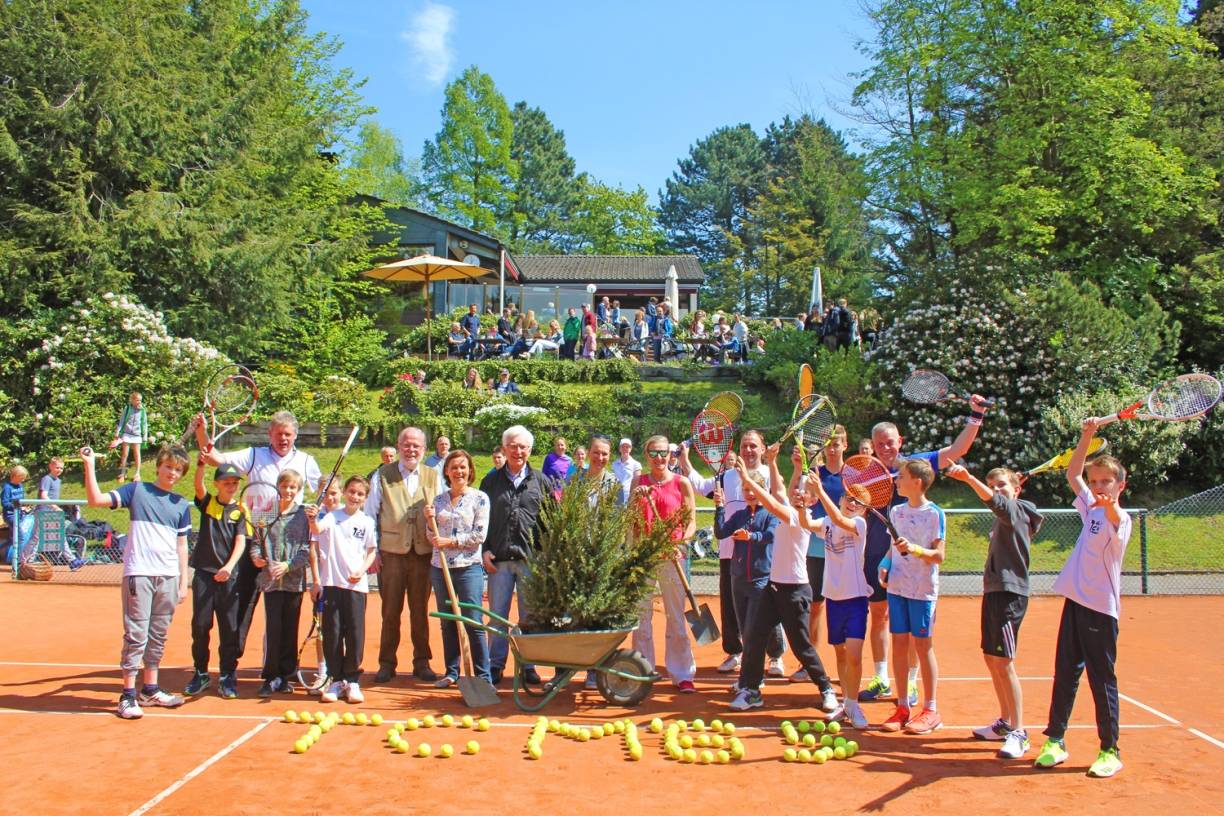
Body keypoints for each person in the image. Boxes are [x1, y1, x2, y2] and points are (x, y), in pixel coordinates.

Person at [858, 399, 990, 708]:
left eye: (890, 442)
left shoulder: (915, 466)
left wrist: (976, 416)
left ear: (900, 441)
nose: (885, 447)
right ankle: (881, 678)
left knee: (914, 631)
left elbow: (956, 452)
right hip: (877, 554)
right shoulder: (867, 472)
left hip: (914, 562)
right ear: (873, 447)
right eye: (879, 444)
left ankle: (913, 683)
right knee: (878, 616)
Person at [1033, 419, 1132, 778]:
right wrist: (1087, 434)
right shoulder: (1090, 508)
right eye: (1095, 481)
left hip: (1100, 611)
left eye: (1107, 481)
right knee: (1064, 674)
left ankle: (1110, 750)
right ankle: (1055, 741)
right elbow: (1073, 471)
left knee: (1101, 679)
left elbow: (1116, 515)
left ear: (1122, 485)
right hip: (1075, 603)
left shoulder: (1120, 519)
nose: (1099, 486)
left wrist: (1109, 505)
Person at [79, 444, 191, 720]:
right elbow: (96, 500)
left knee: (158, 635)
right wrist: (90, 465)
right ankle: (128, 695)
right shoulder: (137, 491)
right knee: (136, 634)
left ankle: (150, 689)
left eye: (178, 470)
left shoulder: (180, 504)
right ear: (159, 466)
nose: (172, 473)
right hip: (139, 572)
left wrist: (182, 581)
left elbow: (182, 546)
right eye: (168, 467)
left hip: (168, 576)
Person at [201, 410, 322, 664]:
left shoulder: (307, 460)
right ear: (270, 434)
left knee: (283, 612)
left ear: (295, 435)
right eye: (278, 434)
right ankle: (230, 667)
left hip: (287, 546)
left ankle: (279, 669)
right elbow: (216, 459)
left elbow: (322, 488)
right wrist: (202, 431)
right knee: (242, 605)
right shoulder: (254, 454)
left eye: (288, 434)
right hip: (254, 538)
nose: (283, 439)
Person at [946, 461, 1043, 759]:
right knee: (991, 658)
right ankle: (1004, 722)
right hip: (994, 592)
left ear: (1016, 489)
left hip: (1010, 594)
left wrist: (969, 478)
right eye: (995, 484)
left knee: (1004, 662)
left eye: (1003, 485)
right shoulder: (1005, 515)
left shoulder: (1017, 511)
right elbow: (997, 502)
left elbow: (997, 501)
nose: (998, 489)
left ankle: (1019, 731)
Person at [730, 447, 838, 713]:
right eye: (796, 490)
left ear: (812, 500)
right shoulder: (789, 508)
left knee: (802, 646)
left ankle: (825, 688)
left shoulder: (798, 518)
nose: (797, 493)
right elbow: (780, 492)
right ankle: (751, 690)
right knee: (754, 637)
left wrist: (748, 479)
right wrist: (774, 462)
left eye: (803, 492)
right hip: (773, 588)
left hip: (795, 592)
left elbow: (773, 501)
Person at [680, 430, 784, 677]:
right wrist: (685, 461)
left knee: (767, 605)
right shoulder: (726, 477)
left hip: (763, 553)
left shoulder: (770, 475)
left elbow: (781, 501)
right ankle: (735, 652)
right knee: (731, 606)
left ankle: (775, 656)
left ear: (762, 448)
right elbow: (698, 486)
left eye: (753, 446)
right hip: (731, 552)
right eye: (745, 446)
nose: (748, 451)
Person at [365, 426, 440, 684]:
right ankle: (387, 663)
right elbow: (369, 515)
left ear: (424, 449)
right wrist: (372, 552)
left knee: (419, 611)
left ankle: (422, 662)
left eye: (416, 446)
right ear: (398, 447)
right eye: (406, 445)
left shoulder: (433, 475)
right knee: (390, 611)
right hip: (392, 554)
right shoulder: (382, 475)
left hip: (422, 554)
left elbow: (439, 514)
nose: (411, 450)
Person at [877, 459, 946, 735]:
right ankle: (903, 707)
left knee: (923, 647)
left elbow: (939, 556)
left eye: (901, 476)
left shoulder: (935, 514)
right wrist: (884, 563)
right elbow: (892, 549)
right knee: (899, 645)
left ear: (917, 481)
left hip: (922, 591)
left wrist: (915, 549)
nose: (896, 480)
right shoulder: (897, 512)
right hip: (897, 588)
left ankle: (930, 709)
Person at [480, 425, 550, 686]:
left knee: (528, 617)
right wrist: (484, 549)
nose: (518, 451)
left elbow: (549, 521)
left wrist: (544, 556)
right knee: (498, 614)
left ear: (529, 450)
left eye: (523, 447)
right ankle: (495, 665)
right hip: (498, 560)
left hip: (530, 560)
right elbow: (482, 518)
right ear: (505, 448)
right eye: (513, 446)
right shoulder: (490, 481)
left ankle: (527, 665)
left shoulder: (541, 481)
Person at [631, 435, 698, 693]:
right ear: (646, 455)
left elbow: (691, 521)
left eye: (664, 453)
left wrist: (680, 540)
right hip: (646, 556)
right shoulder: (640, 482)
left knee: (676, 617)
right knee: (641, 617)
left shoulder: (682, 483)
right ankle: (643, 670)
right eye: (654, 453)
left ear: (671, 456)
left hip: (672, 557)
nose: (659, 458)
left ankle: (682, 673)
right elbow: (631, 520)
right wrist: (638, 499)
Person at [804, 474, 872, 729]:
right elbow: (807, 524)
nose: (852, 503)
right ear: (841, 499)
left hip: (855, 599)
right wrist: (801, 507)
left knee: (854, 655)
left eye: (858, 502)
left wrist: (820, 491)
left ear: (864, 510)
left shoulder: (859, 525)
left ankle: (854, 706)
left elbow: (839, 519)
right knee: (841, 654)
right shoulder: (828, 523)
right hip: (833, 598)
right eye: (848, 498)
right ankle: (847, 704)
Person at [423, 450, 492, 689]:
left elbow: (479, 535)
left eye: (462, 467)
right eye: (454, 467)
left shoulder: (480, 498)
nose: (458, 471)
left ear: (470, 470)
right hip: (440, 567)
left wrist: (450, 542)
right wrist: (428, 521)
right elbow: (430, 535)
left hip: (468, 568)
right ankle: (452, 672)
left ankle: (483, 677)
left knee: (473, 621)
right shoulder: (438, 500)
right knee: (448, 621)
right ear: (447, 472)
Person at [184, 462, 251, 699]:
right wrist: (201, 464)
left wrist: (229, 567)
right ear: (217, 484)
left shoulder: (241, 510)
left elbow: (241, 541)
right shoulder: (208, 503)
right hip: (204, 574)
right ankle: (200, 673)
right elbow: (197, 484)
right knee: (201, 626)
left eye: (234, 483)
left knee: (229, 628)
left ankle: (227, 676)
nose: (231, 486)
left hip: (229, 577)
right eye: (226, 482)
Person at [714, 465, 781, 702]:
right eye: (746, 490)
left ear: (762, 490)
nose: (750, 494)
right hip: (738, 578)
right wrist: (719, 507)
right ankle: (748, 678)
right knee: (745, 631)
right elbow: (721, 532)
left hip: (761, 580)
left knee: (754, 632)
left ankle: (752, 680)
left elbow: (771, 535)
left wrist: (751, 537)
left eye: (754, 489)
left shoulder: (770, 513)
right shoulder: (740, 514)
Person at [309, 475, 378, 704]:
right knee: (333, 633)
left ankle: (353, 680)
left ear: (365, 498)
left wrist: (362, 570)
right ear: (345, 492)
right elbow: (317, 530)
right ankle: (336, 679)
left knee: (355, 633)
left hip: (356, 586)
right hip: (332, 584)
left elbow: (371, 552)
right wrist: (311, 519)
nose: (354, 496)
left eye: (360, 494)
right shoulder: (332, 516)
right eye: (351, 491)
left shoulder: (367, 522)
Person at [790, 426, 848, 683]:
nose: (832, 448)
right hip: (816, 549)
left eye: (837, 443)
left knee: (844, 607)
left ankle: (845, 666)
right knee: (815, 606)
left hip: (845, 551)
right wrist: (799, 474)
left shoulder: (853, 475)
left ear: (845, 445)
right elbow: (797, 499)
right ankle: (810, 664)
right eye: (828, 444)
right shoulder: (814, 474)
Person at [250, 469, 312, 697]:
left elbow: (307, 549)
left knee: (290, 629)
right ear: (278, 487)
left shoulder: (304, 515)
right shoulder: (264, 513)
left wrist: (287, 565)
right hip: (271, 583)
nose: (288, 491)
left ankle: (286, 675)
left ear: (298, 490)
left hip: (294, 583)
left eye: (293, 487)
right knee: (273, 629)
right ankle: (269, 676)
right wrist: (256, 558)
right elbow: (256, 543)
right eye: (285, 486)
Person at [109, 391, 148, 482]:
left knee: (137, 455)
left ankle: (137, 474)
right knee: (124, 454)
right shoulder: (127, 409)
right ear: (132, 400)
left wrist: (145, 437)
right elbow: (122, 421)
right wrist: (117, 432)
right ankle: (122, 473)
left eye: (140, 400)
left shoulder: (142, 410)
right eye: (138, 400)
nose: (139, 402)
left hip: (137, 435)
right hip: (126, 434)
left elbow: (145, 424)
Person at [2, 465, 34, 562]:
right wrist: (18, 506)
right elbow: (5, 503)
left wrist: (25, 506)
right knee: (21, 535)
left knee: (14, 537)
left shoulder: (20, 486)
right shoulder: (7, 488)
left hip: (19, 514)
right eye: (21, 478)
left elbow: (21, 500)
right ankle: (19, 561)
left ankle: (11, 557)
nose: (23, 480)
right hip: (10, 515)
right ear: (15, 476)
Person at [611, 438, 641, 507]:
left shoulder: (636, 464)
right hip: (616, 497)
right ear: (619, 449)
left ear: (630, 449)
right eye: (623, 446)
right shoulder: (614, 464)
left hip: (629, 498)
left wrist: (632, 499)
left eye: (627, 447)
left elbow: (637, 483)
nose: (625, 448)